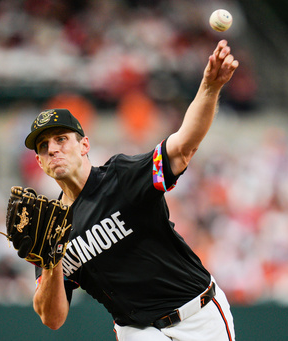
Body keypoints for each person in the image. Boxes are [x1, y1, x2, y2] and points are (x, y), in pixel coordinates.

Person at [23, 40, 238, 341]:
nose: (53, 150)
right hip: (138, 331)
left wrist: (209, 87)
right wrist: (50, 258)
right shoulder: (51, 228)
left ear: (84, 145)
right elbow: (53, 318)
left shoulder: (121, 177)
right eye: (44, 147)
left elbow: (182, 147)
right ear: (39, 163)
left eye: (61, 139)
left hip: (196, 314)